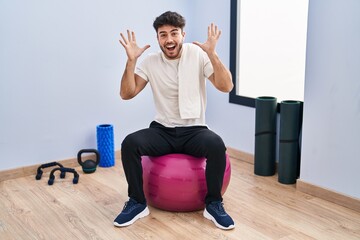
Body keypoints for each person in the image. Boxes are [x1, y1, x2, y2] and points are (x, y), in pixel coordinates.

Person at [114, 11, 235, 230]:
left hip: (195, 130)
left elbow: (226, 86)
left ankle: (214, 203)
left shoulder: (198, 54)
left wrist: (212, 55)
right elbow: (126, 93)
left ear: (183, 34)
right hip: (163, 131)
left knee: (217, 144)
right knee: (129, 143)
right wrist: (131, 61)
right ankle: (137, 202)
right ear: (157, 38)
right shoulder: (150, 62)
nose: (169, 39)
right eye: (163, 35)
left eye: (174, 33)